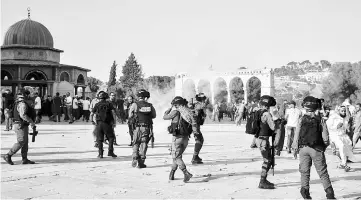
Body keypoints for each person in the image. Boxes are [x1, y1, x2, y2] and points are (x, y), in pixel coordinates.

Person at [292, 96, 335, 199]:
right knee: (322, 172)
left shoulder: (301, 119)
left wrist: (295, 148)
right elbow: (325, 138)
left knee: (304, 171)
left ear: (304, 106)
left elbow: (296, 136)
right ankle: (330, 194)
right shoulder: (320, 120)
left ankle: (305, 192)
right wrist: (324, 146)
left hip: (303, 148)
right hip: (317, 149)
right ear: (316, 107)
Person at [163, 96, 196, 182]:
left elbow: (165, 117)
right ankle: (172, 173)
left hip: (177, 138)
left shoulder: (175, 112)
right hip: (186, 138)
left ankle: (186, 173)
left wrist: (169, 109)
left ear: (176, 105)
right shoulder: (188, 112)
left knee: (176, 156)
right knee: (177, 156)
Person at [3, 90, 36, 165]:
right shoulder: (22, 104)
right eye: (27, 94)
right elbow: (23, 115)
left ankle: (24, 159)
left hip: (22, 124)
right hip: (20, 125)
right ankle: (8, 155)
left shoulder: (18, 103)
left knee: (25, 142)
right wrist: (31, 121)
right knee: (21, 141)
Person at [129, 89, 156, 168]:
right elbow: (154, 116)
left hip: (137, 127)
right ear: (145, 97)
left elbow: (130, 115)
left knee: (136, 143)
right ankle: (141, 162)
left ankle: (134, 157)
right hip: (146, 127)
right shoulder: (150, 105)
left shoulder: (134, 104)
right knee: (144, 143)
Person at [255, 95, 277, 189]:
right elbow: (273, 127)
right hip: (264, 140)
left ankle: (264, 179)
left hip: (259, 139)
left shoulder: (257, 112)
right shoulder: (266, 114)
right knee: (267, 161)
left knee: (268, 160)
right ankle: (262, 181)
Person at [326, 106, 356, 171]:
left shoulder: (345, 118)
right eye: (342, 111)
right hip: (335, 135)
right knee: (341, 146)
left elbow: (347, 125)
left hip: (343, 135)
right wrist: (336, 127)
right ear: (338, 111)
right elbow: (328, 126)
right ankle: (344, 164)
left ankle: (341, 160)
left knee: (349, 146)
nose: (343, 112)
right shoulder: (333, 117)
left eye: (344, 111)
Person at [92, 92, 117, 158]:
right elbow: (113, 113)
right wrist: (114, 122)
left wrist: (93, 121)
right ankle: (110, 151)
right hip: (107, 123)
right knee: (111, 137)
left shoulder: (97, 104)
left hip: (99, 123)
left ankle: (100, 154)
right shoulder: (109, 104)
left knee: (99, 139)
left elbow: (92, 113)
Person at [191, 93, 207, 164]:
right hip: (195, 126)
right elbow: (201, 107)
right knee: (199, 140)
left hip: (196, 125)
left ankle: (196, 156)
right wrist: (204, 103)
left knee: (201, 140)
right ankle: (194, 158)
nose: (204, 100)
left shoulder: (197, 104)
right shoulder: (198, 104)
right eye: (203, 99)